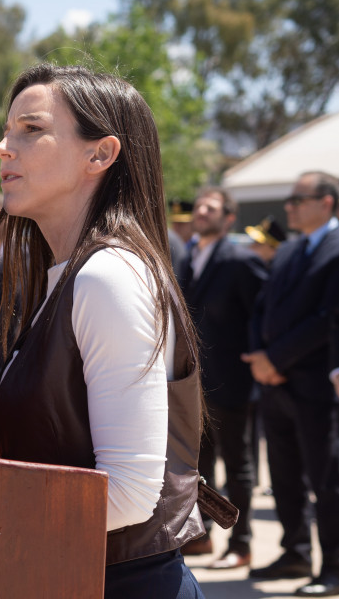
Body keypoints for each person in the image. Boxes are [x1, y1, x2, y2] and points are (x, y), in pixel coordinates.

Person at [0, 64, 206, 597]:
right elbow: (24, 451)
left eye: (30, 130)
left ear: (99, 154)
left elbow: (127, 494)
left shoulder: (107, 276)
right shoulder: (67, 275)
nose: (3, 148)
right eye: (7, 133)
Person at [243, 171, 339, 596]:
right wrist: (259, 359)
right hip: (276, 384)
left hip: (316, 384)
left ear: (327, 202)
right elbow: (259, 309)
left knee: (327, 479)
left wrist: (275, 358)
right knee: (284, 475)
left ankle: (333, 566)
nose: (289, 207)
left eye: (299, 199)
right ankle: (294, 551)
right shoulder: (290, 249)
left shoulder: (336, 249)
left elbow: (327, 319)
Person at [176, 187, 267, 569]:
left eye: (210, 208)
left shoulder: (240, 259)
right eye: (199, 205)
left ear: (229, 218)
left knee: (238, 464)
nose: (200, 211)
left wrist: (258, 360)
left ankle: (241, 544)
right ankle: (203, 537)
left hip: (232, 381)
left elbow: (261, 316)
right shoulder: (189, 255)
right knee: (201, 464)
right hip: (196, 383)